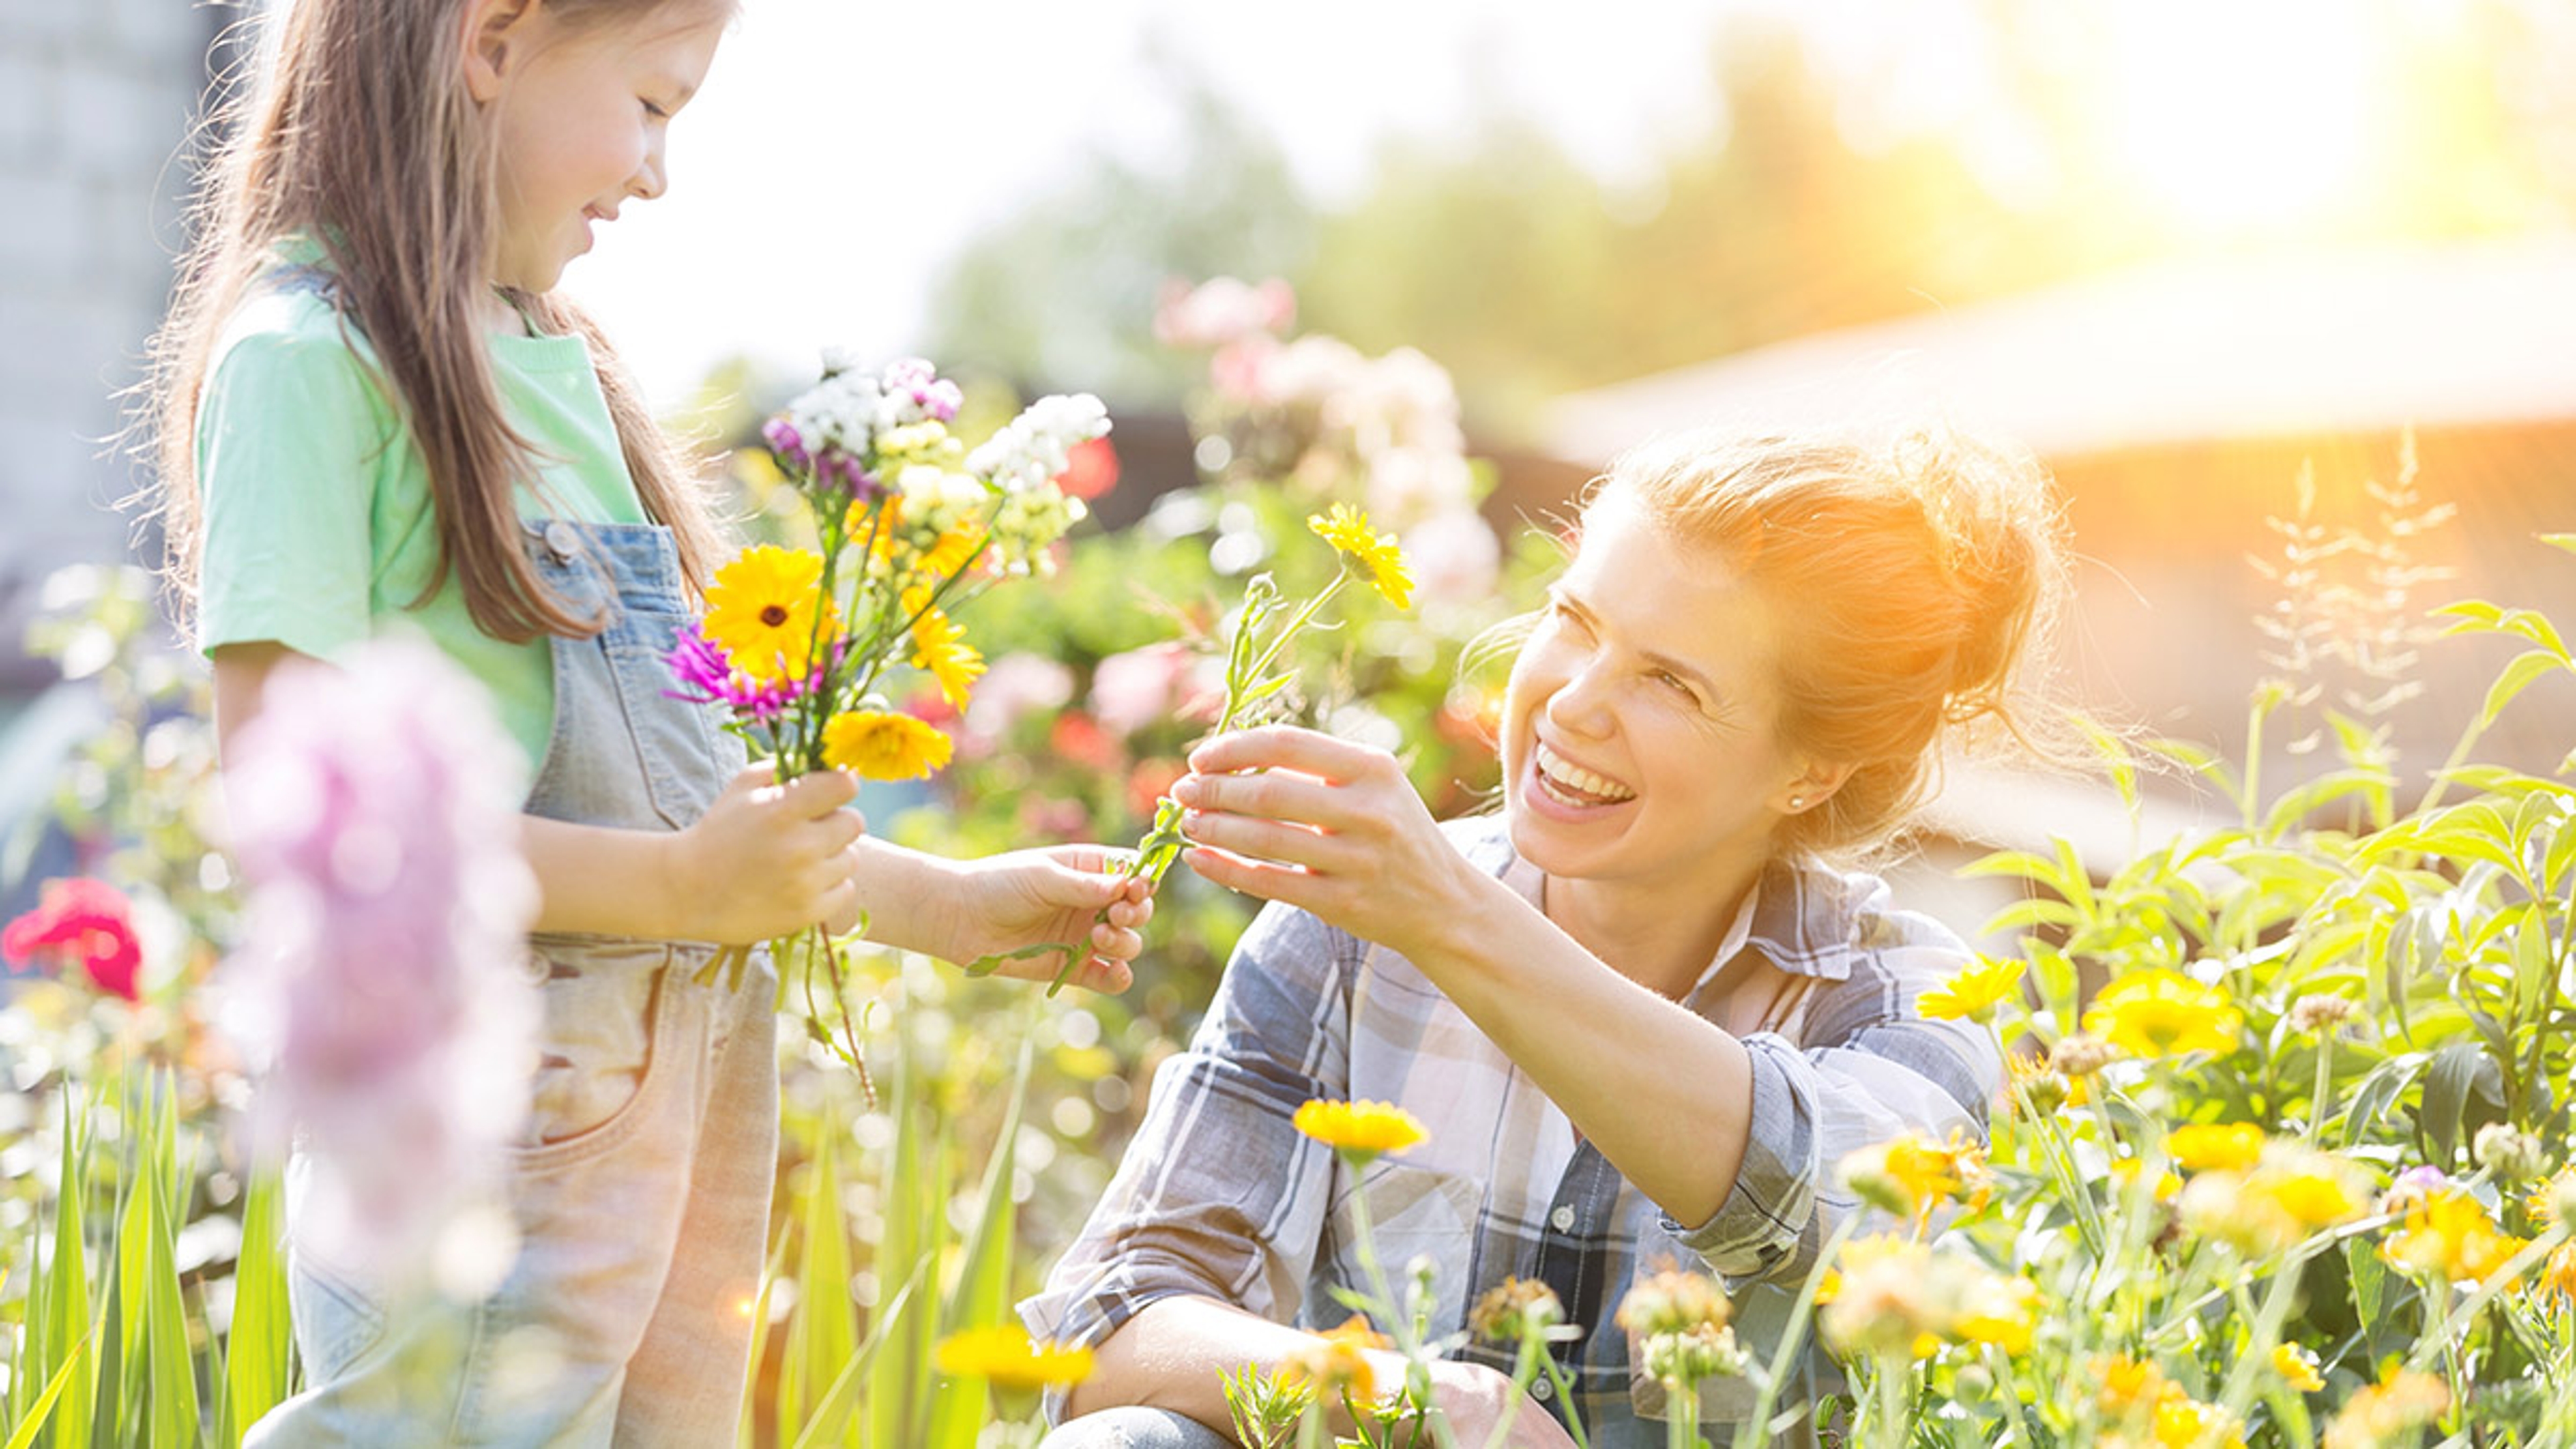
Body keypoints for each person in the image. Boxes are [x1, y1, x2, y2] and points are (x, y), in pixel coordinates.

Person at [136, 0, 1151, 1441]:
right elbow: (289, 805)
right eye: (655, 104)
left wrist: (953, 907)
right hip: (483, 1123)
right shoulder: (311, 361)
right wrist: (682, 888)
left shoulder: (556, 368)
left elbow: (679, 801)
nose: (661, 172)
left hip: (679, 1106)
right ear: (490, 43)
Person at [1022, 430, 2068, 1447]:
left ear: (1808, 772)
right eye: (1575, 620)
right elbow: (1112, 1322)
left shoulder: (1907, 999)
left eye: (1671, 682)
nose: (1572, 703)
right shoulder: (1351, 935)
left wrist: (1449, 918)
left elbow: (1829, 1212)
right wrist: (1415, 1397)